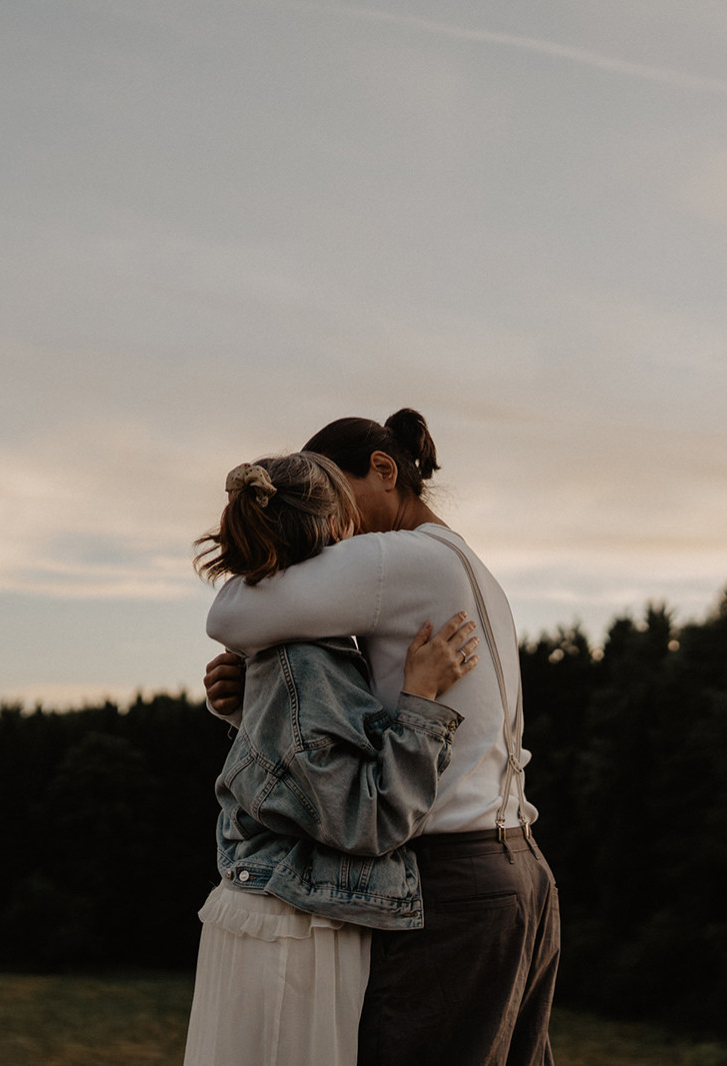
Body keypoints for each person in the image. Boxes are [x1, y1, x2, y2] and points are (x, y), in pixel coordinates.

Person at [204, 409, 560, 1066]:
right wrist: (256, 707)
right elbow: (352, 719)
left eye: (340, 490)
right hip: (520, 873)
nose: (337, 521)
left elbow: (229, 612)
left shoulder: (393, 558)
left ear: (384, 471)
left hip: (451, 883)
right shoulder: (465, 560)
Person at [185, 450, 481, 1066]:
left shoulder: (283, 648)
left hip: (274, 917)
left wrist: (244, 716)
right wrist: (421, 701)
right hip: (296, 935)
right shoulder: (308, 658)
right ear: (336, 537)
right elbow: (366, 821)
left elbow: (297, 775)